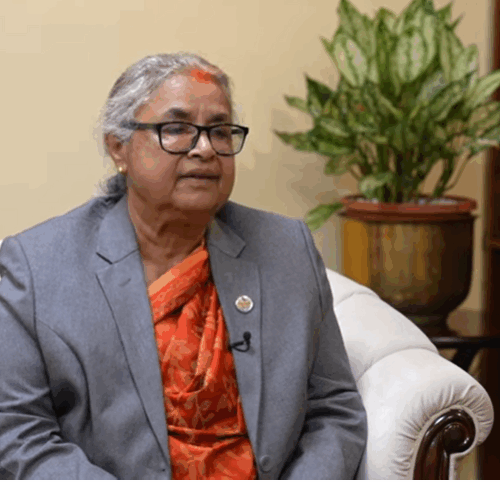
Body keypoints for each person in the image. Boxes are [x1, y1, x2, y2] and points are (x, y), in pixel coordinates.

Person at [0, 52, 367, 480]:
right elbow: (18, 433)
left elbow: (334, 407)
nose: (205, 148)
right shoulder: (36, 267)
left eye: (220, 131)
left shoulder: (286, 248)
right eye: (176, 129)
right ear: (118, 147)